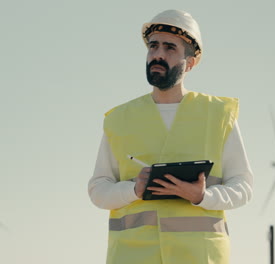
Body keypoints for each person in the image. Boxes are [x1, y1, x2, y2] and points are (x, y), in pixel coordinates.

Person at [88, 9, 253, 264]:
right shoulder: (120, 120)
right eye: (153, 47)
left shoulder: (218, 115)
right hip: (133, 256)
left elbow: (242, 186)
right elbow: (98, 189)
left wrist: (202, 196)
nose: (158, 55)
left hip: (199, 257)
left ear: (190, 62)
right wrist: (134, 190)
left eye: (170, 48)